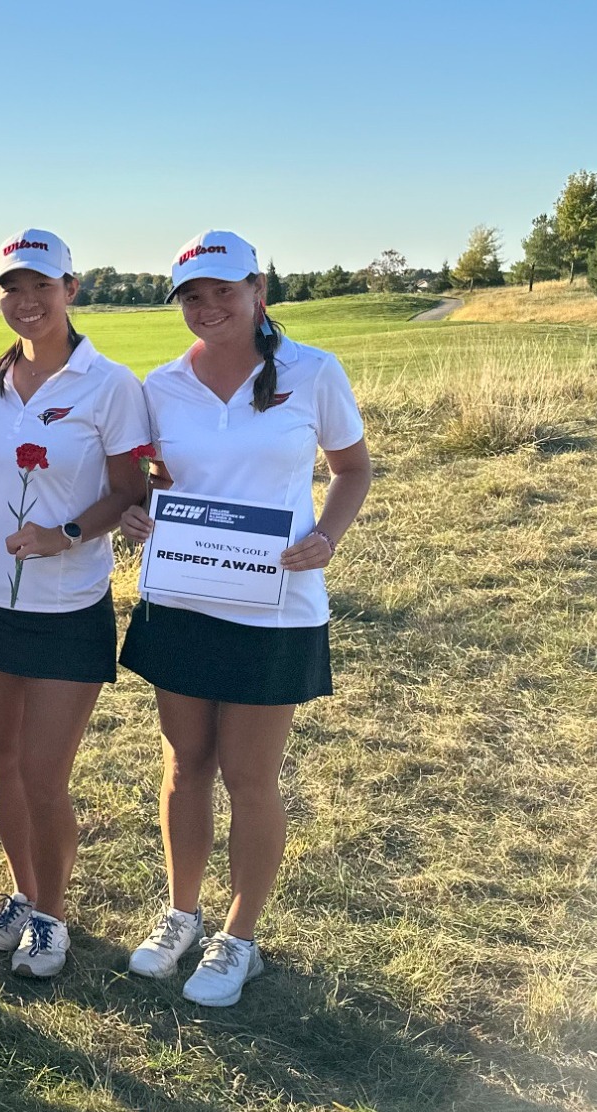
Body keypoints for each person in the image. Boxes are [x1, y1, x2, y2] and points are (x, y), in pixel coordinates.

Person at [118, 230, 372, 1007]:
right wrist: (139, 512)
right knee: (183, 764)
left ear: (258, 289)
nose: (208, 307)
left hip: (277, 607)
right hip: (184, 600)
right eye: (192, 296)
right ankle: (181, 914)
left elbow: (352, 468)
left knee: (249, 775)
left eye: (224, 290)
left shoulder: (312, 372)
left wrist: (326, 536)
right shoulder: (160, 385)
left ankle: (239, 937)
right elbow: (151, 478)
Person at [0, 230, 151, 979]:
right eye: (11, 287)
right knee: (2, 762)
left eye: (41, 285)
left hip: (70, 605)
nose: (26, 301)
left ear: (71, 288)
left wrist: (65, 530)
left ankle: (53, 919)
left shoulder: (110, 384)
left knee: (43, 774)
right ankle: (24, 892)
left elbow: (129, 488)